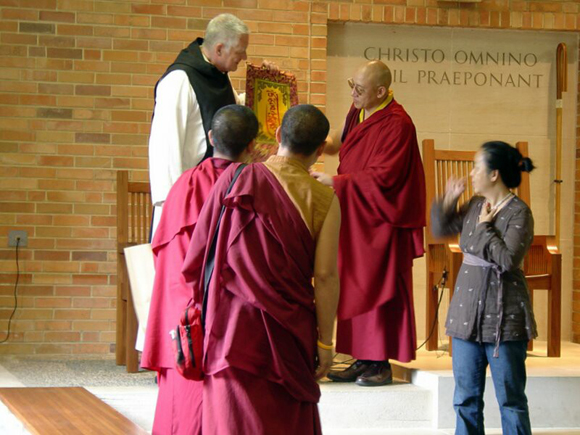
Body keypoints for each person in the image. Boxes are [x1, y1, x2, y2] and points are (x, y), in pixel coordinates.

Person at [182, 105, 341, 434]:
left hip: (230, 328)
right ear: (320, 150)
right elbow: (325, 276)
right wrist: (325, 343)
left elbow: (197, 254)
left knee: (231, 418)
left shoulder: (235, 177)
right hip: (288, 332)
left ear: (279, 136)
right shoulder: (325, 199)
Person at [141, 105, 258, 435]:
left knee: (181, 410)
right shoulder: (255, 188)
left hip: (182, 313)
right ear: (252, 146)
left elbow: (164, 252)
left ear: (210, 137)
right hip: (233, 319)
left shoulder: (183, 185)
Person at [313, 60, 426, 386]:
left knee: (376, 288)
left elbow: (384, 176)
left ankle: (379, 364)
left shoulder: (398, 124)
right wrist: (324, 144)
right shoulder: (361, 109)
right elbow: (344, 140)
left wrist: (337, 183)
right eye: (352, 86)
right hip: (357, 214)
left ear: (381, 91)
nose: (353, 94)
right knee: (351, 284)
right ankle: (362, 360)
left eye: (359, 90)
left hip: (381, 219)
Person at [431, 141, 537, 435]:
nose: (472, 173)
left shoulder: (519, 213)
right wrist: (450, 199)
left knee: (511, 401)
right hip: (466, 313)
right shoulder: (476, 204)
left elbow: (508, 260)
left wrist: (485, 229)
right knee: (465, 400)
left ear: (494, 174)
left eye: (477, 166)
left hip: (504, 319)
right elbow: (440, 230)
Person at [148, 13, 249, 236]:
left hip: (215, 193)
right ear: (220, 49)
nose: (244, 57)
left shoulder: (217, 73)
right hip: (188, 201)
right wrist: (173, 208)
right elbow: (165, 148)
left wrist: (264, 84)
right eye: (240, 52)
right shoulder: (179, 81)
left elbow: (233, 110)